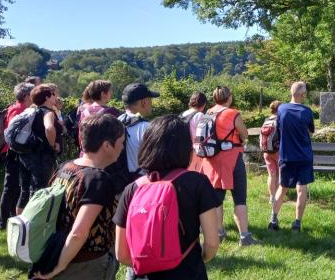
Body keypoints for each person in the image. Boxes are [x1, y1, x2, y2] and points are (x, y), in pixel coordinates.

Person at [114, 116, 220, 280]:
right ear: (185, 147)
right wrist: (197, 260)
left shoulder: (132, 189)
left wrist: (150, 265)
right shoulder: (197, 183)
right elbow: (212, 243)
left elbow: (121, 254)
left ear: (147, 146)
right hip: (188, 272)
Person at [32, 114, 125, 279]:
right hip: (84, 264)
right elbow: (79, 232)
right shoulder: (97, 179)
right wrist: (59, 266)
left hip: (56, 249)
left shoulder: (65, 168)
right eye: (121, 142)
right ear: (107, 145)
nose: (122, 147)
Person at [188, 86, 258, 246]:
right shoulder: (232, 113)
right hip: (231, 158)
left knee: (216, 198)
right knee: (240, 198)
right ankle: (244, 236)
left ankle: (219, 233)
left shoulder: (208, 113)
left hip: (211, 159)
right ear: (229, 98)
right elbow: (245, 134)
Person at [269, 82, 314, 232]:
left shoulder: (281, 109)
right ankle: (297, 223)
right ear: (303, 95)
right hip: (304, 156)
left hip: (287, 156)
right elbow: (311, 131)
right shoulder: (307, 111)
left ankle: (273, 220)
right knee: (301, 189)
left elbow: (280, 127)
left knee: (282, 188)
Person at [16, 84, 61, 213]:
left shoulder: (31, 111)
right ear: (47, 97)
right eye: (53, 94)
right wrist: (52, 144)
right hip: (41, 157)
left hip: (25, 154)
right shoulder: (48, 112)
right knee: (39, 190)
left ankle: (20, 225)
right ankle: (33, 225)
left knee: (25, 191)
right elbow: (49, 128)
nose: (55, 97)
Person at [0, 82, 35, 229]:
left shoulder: (22, 108)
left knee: (17, 186)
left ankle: (13, 216)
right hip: (13, 152)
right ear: (26, 96)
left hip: (17, 152)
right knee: (10, 187)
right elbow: (12, 133)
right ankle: (3, 221)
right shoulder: (18, 109)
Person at [119, 83, 158, 178]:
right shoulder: (146, 127)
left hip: (117, 182)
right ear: (144, 102)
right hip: (140, 182)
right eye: (150, 100)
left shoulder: (116, 121)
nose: (151, 103)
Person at [77, 80, 121, 151]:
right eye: (110, 91)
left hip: (86, 153)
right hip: (104, 155)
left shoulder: (84, 112)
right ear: (103, 94)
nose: (111, 93)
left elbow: (80, 134)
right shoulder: (112, 112)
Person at [262, 100, 282, 206]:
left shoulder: (267, 120)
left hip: (266, 151)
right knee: (279, 174)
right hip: (278, 151)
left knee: (271, 175)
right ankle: (278, 197)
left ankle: (272, 197)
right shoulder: (280, 120)